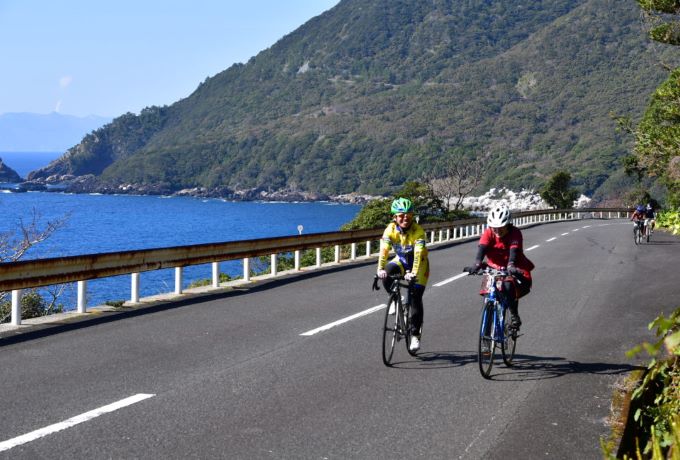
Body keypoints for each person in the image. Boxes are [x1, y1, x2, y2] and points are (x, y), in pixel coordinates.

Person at [466, 205, 534, 331]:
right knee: (488, 292)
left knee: (508, 287)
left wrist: (511, 265)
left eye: (500, 228)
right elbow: (482, 248)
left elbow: (514, 250)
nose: (497, 231)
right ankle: (486, 333)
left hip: (514, 266)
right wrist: (476, 264)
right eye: (494, 228)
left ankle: (514, 315)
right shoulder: (488, 232)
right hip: (494, 266)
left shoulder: (515, 233)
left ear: (507, 224)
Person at [377, 197, 430, 352]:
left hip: (420, 266)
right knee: (387, 272)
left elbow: (419, 254)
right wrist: (379, 269)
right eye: (401, 215)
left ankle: (414, 335)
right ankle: (395, 297)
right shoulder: (390, 229)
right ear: (395, 217)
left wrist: (413, 273)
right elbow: (384, 250)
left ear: (412, 216)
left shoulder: (418, 231)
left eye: (408, 214)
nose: (405, 218)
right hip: (401, 261)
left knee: (415, 298)